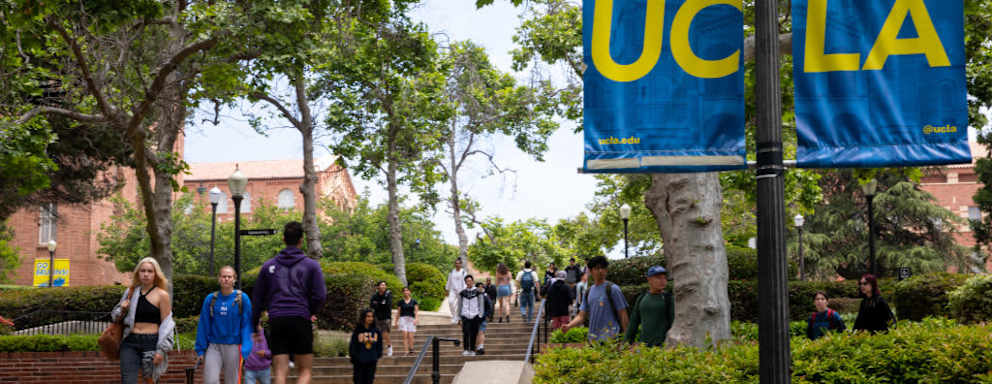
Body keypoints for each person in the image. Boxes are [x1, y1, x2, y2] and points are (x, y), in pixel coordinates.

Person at [252, 221, 327, 384]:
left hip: (277, 319)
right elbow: (321, 295)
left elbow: (257, 299)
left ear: (283, 239)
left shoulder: (268, 266)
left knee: (280, 371)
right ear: (301, 240)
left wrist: (254, 326)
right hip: (301, 317)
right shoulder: (311, 266)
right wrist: (310, 310)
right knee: (305, 371)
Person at [112, 257, 175, 384]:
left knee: (150, 380)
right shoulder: (130, 292)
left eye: (150, 271)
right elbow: (115, 317)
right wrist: (123, 309)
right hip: (130, 341)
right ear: (138, 273)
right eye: (143, 271)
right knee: (128, 380)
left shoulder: (162, 295)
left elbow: (167, 325)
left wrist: (161, 351)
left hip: (151, 342)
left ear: (155, 274)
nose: (146, 274)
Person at [194, 266, 254, 384]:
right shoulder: (210, 299)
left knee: (231, 381)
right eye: (223, 276)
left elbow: (247, 325)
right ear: (219, 279)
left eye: (229, 276)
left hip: (234, 347)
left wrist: (246, 348)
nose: (226, 279)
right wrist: (200, 349)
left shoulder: (243, 298)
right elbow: (203, 324)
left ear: (234, 279)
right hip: (214, 346)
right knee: (210, 381)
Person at [562, 256, 629, 342]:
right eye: (597, 268)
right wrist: (569, 326)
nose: (600, 271)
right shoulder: (588, 292)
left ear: (606, 270)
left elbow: (623, 313)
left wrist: (626, 338)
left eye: (603, 268)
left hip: (611, 340)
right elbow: (581, 316)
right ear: (590, 271)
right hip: (593, 340)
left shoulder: (613, 289)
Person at [624, 266, 674, 347]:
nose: (662, 281)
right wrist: (626, 343)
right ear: (649, 279)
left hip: (662, 347)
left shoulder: (669, 298)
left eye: (664, 278)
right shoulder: (642, 298)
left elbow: (673, 323)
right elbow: (634, 322)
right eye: (658, 278)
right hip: (644, 347)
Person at [349, 309, 383, 384]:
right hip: (359, 362)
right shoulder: (358, 331)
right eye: (368, 316)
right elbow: (353, 345)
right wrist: (355, 357)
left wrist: (376, 356)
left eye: (372, 316)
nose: (370, 318)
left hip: (371, 361)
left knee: (369, 381)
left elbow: (379, 345)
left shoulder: (376, 331)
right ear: (363, 317)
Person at [457, 275, 486, 356]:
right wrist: (459, 317)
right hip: (465, 315)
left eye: (470, 281)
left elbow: (481, 304)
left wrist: (480, 315)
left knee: (474, 333)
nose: (469, 282)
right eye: (467, 281)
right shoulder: (462, 293)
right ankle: (466, 349)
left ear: (473, 281)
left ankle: (472, 350)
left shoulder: (478, 292)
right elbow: (459, 305)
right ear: (465, 282)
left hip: (475, 315)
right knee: (465, 333)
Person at [369, 281, 393, 356]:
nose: (383, 286)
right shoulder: (375, 295)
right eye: (381, 285)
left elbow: (387, 305)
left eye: (384, 285)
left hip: (386, 317)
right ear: (378, 287)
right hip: (377, 317)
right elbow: (372, 305)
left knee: (385, 333)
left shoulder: (388, 294)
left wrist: (378, 304)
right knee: (377, 333)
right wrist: (380, 303)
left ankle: (389, 347)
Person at [393, 287, 418, 355]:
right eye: (404, 291)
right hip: (403, 319)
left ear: (409, 292)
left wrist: (416, 319)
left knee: (410, 336)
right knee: (405, 335)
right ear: (403, 293)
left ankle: (411, 349)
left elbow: (416, 311)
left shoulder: (414, 301)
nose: (406, 292)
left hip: (411, 319)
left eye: (407, 290)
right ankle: (406, 351)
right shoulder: (400, 302)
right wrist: (395, 321)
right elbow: (398, 312)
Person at [445, 258, 468, 324]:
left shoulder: (463, 272)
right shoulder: (452, 272)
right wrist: (447, 289)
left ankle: (457, 318)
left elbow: (465, 282)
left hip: (461, 291)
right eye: (456, 263)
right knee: (450, 302)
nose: (457, 264)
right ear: (454, 264)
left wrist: (464, 291)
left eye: (458, 263)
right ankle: (454, 316)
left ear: (461, 264)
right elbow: (449, 281)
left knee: (459, 305)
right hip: (453, 290)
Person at [475, 282, 494, 355]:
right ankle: (478, 347)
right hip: (475, 317)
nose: (480, 288)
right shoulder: (476, 296)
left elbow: (489, 307)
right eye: (478, 287)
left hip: (482, 317)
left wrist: (487, 315)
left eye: (481, 287)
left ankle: (480, 347)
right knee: (478, 333)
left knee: (480, 332)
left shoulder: (485, 296)